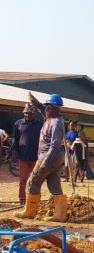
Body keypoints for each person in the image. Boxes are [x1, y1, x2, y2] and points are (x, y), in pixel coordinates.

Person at [16, 93, 67, 222]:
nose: (45, 110)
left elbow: (54, 146)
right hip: (55, 159)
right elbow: (40, 108)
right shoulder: (51, 117)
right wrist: (33, 100)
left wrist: (45, 162)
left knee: (32, 182)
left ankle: (30, 212)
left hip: (49, 157)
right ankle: (60, 215)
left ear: (54, 108)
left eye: (47, 108)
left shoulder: (56, 123)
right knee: (54, 184)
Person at [11, 103, 42, 205]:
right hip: (23, 156)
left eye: (30, 113)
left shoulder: (39, 124)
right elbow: (15, 139)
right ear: (24, 113)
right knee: (23, 179)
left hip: (36, 157)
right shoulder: (18, 124)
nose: (28, 115)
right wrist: (14, 152)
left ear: (34, 114)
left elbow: (43, 140)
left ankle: (34, 198)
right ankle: (22, 198)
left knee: (35, 179)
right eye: (26, 113)